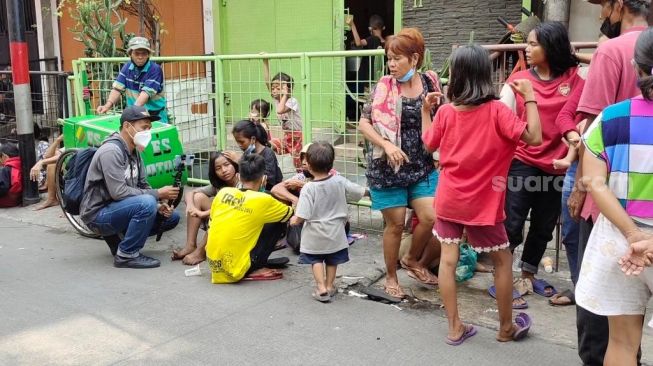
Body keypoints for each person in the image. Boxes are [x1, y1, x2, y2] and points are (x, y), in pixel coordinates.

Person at [423, 44, 541, 345]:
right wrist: (529, 97)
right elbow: (535, 138)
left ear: (459, 76)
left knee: (447, 263)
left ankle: (454, 328)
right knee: (502, 262)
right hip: (483, 205)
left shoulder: (447, 112)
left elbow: (428, 144)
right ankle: (505, 328)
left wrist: (427, 111)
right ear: (484, 76)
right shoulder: (497, 111)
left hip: (449, 199)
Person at [567, 1, 651, 364]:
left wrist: (633, 236)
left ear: (636, 68)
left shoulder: (609, 119)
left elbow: (593, 182)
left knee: (620, 343)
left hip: (619, 240)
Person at [498, 21, 584, 305]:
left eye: (534, 43)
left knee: (544, 227)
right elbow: (502, 117)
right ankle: (503, 279)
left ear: (552, 47)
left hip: (558, 165)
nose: (527, 48)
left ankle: (528, 274)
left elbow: (604, 64)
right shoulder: (520, 80)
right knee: (512, 224)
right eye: (529, 43)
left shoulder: (574, 78)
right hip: (523, 161)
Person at [358, 27, 442, 299]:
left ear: (414, 59)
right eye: (389, 59)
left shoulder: (430, 82)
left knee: (431, 217)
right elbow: (363, 123)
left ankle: (412, 260)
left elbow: (443, 119)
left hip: (422, 165)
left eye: (397, 59)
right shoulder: (383, 86)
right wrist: (386, 144)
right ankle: (391, 276)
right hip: (388, 167)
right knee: (394, 225)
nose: (391, 64)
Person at [80, 106, 180, 268]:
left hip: (119, 208)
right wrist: (157, 194)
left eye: (149, 128)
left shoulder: (135, 151)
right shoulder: (111, 151)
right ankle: (126, 255)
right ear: (127, 126)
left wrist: (159, 206)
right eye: (144, 127)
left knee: (170, 217)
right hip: (98, 213)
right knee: (146, 203)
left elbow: (142, 184)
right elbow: (118, 193)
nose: (148, 132)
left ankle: (118, 241)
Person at [289, 142, 366, 302]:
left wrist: (294, 220)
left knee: (315, 259)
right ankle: (330, 285)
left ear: (308, 165)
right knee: (332, 259)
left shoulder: (308, 188)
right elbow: (357, 190)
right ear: (332, 163)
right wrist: (369, 192)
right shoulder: (338, 180)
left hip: (314, 233)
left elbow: (302, 214)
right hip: (336, 231)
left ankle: (321, 287)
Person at [206, 154, 293, 283]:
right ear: (264, 179)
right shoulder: (264, 200)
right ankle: (255, 266)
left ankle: (246, 259)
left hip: (213, 264)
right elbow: (292, 214)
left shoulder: (223, 193)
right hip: (235, 271)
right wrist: (294, 199)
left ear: (238, 176)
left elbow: (210, 226)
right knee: (278, 220)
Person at [171, 151, 239, 265]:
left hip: (237, 223)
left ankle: (201, 252)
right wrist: (191, 207)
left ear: (235, 164)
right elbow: (190, 193)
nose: (223, 170)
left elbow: (229, 208)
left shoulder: (242, 180)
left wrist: (203, 213)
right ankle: (190, 246)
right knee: (197, 197)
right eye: (218, 168)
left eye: (227, 165)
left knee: (219, 213)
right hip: (221, 220)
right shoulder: (219, 184)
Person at [96, 37, 168, 123]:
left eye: (144, 53)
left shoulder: (155, 69)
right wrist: (107, 106)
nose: (140, 57)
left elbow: (145, 95)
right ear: (130, 54)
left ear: (148, 54)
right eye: (136, 53)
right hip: (135, 116)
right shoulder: (127, 67)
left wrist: (130, 113)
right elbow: (117, 89)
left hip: (155, 117)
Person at [262, 59, 303, 169]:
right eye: (273, 88)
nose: (274, 90)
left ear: (287, 89)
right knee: (268, 145)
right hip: (287, 136)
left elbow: (280, 110)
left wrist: (285, 95)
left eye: (278, 88)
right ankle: (268, 168)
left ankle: (304, 180)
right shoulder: (277, 98)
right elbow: (267, 81)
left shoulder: (292, 101)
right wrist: (265, 62)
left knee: (299, 163)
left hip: (298, 136)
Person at [229, 119, 283, 191]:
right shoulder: (248, 153)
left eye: (242, 142)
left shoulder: (268, 153)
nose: (239, 145)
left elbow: (269, 179)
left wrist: (240, 162)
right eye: (237, 142)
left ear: (253, 139)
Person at [29, 134, 64, 210]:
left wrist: (41, 162)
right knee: (51, 165)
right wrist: (57, 140)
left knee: (52, 164)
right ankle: (51, 199)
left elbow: (60, 156)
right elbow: (47, 156)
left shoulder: (42, 143)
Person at [0, 141, 22, 207]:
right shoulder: (20, 164)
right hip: (18, 198)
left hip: (7, 200)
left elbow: (2, 188)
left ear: (4, 156)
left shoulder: (5, 169)